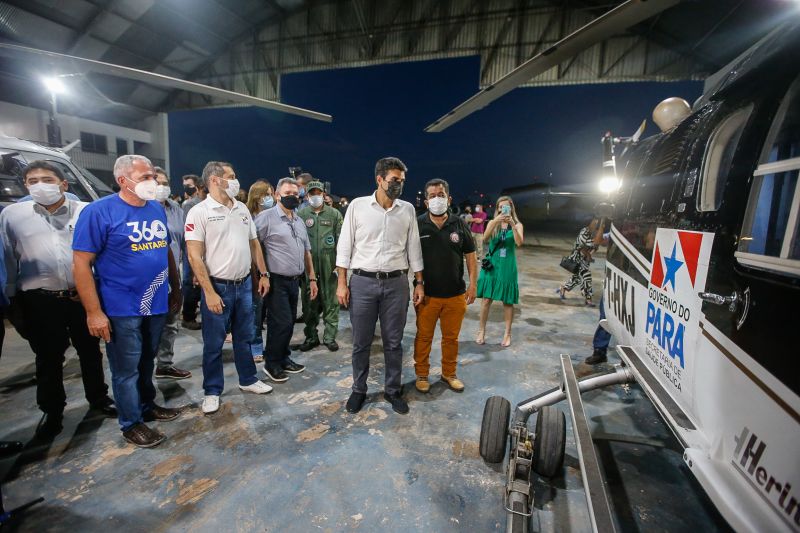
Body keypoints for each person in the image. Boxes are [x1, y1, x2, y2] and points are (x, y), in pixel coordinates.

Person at [73, 155, 183, 448]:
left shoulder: (155, 209)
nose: (153, 182)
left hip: (155, 302)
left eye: (153, 176)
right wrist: (93, 312)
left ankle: (147, 405)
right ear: (123, 180)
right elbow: (81, 263)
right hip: (121, 307)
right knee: (125, 368)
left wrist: (175, 287)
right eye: (145, 177)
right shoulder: (98, 212)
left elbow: (165, 250)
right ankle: (131, 423)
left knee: (147, 361)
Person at [0, 161, 116, 439]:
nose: (40, 185)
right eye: (33, 181)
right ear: (25, 185)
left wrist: (94, 289)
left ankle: (98, 398)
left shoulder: (86, 211)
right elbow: (8, 258)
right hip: (40, 300)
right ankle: (52, 411)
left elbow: (101, 254)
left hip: (81, 297)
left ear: (63, 184)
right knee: (48, 357)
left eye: (47, 179)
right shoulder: (13, 215)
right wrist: (12, 300)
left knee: (90, 351)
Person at [336, 157, 424, 415]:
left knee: (393, 342)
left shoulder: (407, 210)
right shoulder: (358, 206)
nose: (399, 185)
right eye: (394, 180)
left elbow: (414, 248)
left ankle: (392, 390)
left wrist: (419, 282)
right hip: (362, 282)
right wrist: (342, 283)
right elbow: (344, 247)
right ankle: (358, 390)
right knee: (361, 342)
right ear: (379, 179)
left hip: (396, 284)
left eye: (402, 181)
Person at [185, 162, 273, 414]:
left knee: (244, 337)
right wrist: (209, 292)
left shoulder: (241, 208)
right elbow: (194, 255)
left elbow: (254, 243)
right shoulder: (199, 212)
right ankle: (212, 390)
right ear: (215, 180)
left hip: (243, 285)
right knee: (214, 343)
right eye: (231, 177)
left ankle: (248, 379)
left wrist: (263, 274)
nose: (235, 181)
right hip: (218, 287)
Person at [413, 179, 477, 393]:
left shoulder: (459, 224)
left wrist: (473, 285)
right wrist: (418, 284)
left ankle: (449, 373)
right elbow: (412, 257)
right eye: (432, 196)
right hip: (427, 294)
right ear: (426, 201)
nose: (436, 199)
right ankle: (422, 374)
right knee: (424, 337)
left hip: (455, 294)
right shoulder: (418, 224)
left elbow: (471, 256)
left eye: (440, 195)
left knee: (451, 339)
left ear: (449, 199)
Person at [255, 178, 318, 383]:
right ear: (277, 195)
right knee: (280, 322)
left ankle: (284, 357)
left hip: (294, 281)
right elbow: (254, 246)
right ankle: (272, 363)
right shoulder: (266, 218)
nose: (292, 196)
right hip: (276, 280)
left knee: (289, 322)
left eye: (295, 193)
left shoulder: (298, 220)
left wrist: (312, 278)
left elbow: (307, 251)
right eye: (287, 193)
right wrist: (262, 274)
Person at [153, 167, 191, 380]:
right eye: (156, 182)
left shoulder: (176, 208)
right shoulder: (142, 209)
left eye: (164, 183)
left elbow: (184, 241)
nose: (161, 187)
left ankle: (164, 365)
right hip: (149, 277)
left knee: (170, 323)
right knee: (148, 326)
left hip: (173, 273)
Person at [298, 180, 343, 352]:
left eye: (318, 193)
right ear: (307, 196)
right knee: (309, 302)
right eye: (312, 193)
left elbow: (341, 241)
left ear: (324, 194)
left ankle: (330, 337)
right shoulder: (301, 215)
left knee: (331, 301)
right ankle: (311, 337)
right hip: (308, 263)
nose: (315, 196)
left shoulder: (334, 214)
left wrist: (339, 264)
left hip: (329, 263)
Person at [476, 196, 524, 347]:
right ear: (497, 209)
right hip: (492, 264)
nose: (503, 209)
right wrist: (495, 221)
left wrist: (512, 225)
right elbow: (485, 238)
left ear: (511, 208)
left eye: (506, 207)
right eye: (500, 207)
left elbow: (519, 242)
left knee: (507, 302)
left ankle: (507, 334)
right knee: (486, 300)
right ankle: (481, 331)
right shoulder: (493, 222)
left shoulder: (518, 225)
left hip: (507, 266)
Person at [245, 180, 275, 362]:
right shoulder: (248, 217)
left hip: (272, 269)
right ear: (258, 196)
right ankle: (255, 345)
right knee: (255, 311)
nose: (270, 198)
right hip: (254, 271)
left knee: (269, 311)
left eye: (271, 194)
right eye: (267, 195)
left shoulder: (273, 215)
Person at [557, 217, 605, 306]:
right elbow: (584, 246)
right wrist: (589, 254)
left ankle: (563, 288)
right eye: (594, 222)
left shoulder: (592, 233)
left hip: (584, 261)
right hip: (577, 259)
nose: (596, 225)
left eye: (597, 223)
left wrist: (591, 253)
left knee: (577, 278)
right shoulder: (584, 232)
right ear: (589, 223)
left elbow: (598, 243)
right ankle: (588, 299)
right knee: (587, 277)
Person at [181, 174, 205, 330]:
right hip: (193, 246)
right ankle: (188, 317)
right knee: (191, 282)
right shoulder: (190, 204)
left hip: (205, 247)